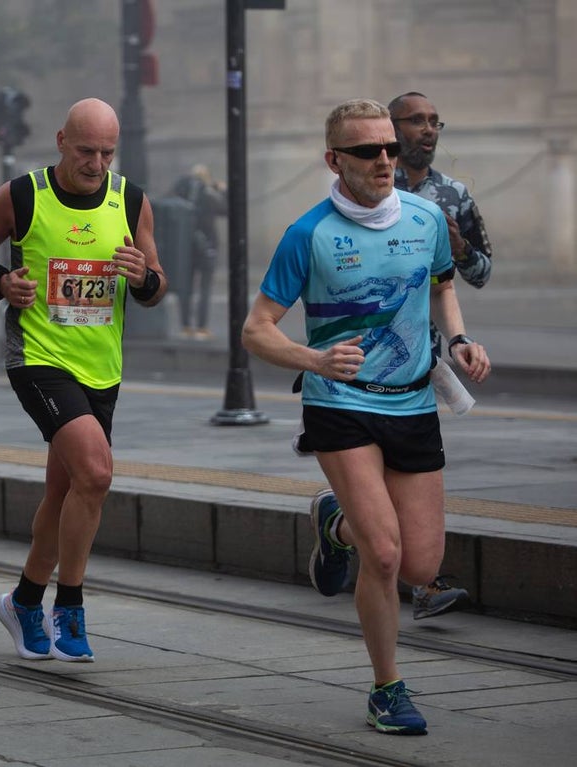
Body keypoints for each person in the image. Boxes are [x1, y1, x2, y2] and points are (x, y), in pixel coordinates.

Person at [241, 99, 490, 735]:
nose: (385, 160)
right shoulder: (309, 234)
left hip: (412, 402)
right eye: (367, 151)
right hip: (340, 404)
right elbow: (256, 331)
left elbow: (440, 284)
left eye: (389, 148)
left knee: (420, 567)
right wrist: (313, 359)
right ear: (335, 160)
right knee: (383, 554)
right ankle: (387, 689)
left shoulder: (428, 217)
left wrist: (458, 339)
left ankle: (334, 524)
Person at [0, 98, 166, 663]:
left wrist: (144, 276)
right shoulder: (23, 195)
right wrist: (1, 282)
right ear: (60, 141)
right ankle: (69, 603)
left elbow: (155, 287)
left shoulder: (132, 201)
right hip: (38, 357)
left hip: (102, 366)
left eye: (106, 152)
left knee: (66, 489)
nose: (96, 163)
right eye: (85, 151)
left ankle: (25, 599)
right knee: (96, 474)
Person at [390, 91, 494, 619]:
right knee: (386, 463)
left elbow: (480, 272)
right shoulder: (366, 187)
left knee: (415, 466)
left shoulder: (453, 195)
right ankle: (359, 535)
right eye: (415, 121)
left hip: (426, 356)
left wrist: (459, 251)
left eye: (434, 122)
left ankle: (417, 578)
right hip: (369, 353)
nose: (427, 130)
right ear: (391, 130)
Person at [169, 164, 226, 340]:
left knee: (185, 288)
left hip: (185, 245)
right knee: (204, 288)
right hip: (207, 245)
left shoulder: (182, 192)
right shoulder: (209, 194)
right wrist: (223, 191)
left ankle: (185, 326)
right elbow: (226, 210)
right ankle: (201, 327)